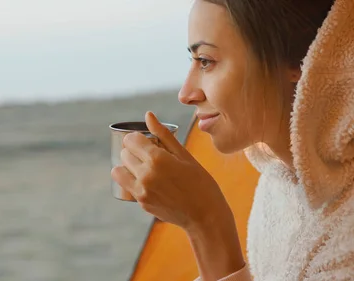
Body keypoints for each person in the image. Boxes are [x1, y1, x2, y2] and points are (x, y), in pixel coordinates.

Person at [111, 0, 353, 280]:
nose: (186, 93)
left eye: (206, 61)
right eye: (194, 61)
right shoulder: (278, 190)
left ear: (296, 60)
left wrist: (205, 223)